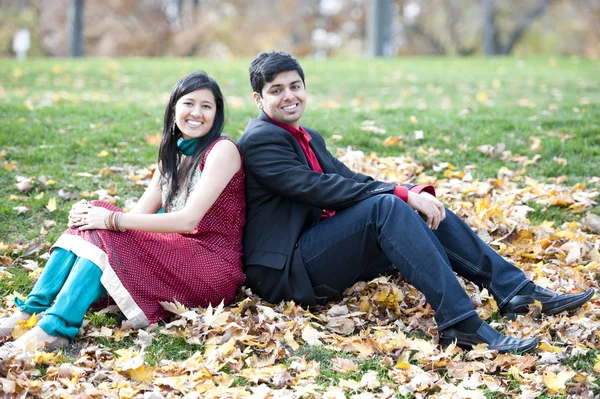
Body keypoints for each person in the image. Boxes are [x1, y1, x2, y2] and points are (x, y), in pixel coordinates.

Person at [236, 51, 594, 354]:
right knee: (387, 206)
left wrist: (410, 191)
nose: (289, 96)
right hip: (287, 271)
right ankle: (461, 323)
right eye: (276, 90)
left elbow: (349, 180)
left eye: (295, 86)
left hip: (320, 251)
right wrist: (400, 196)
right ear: (259, 99)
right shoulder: (261, 140)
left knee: (401, 202)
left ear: (305, 88)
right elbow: (320, 189)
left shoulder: (308, 136)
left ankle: (516, 291)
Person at [0, 72, 246, 351]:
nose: (197, 113)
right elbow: (139, 214)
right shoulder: (173, 155)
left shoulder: (222, 150)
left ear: (217, 113)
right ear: (174, 107)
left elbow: (189, 220)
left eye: (206, 106)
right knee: (97, 214)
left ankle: (54, 329)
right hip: (174, 252)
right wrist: (91, 217)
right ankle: (30, 311)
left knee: (107, 220)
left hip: (210, 266)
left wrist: (109, 219)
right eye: (189, 103)